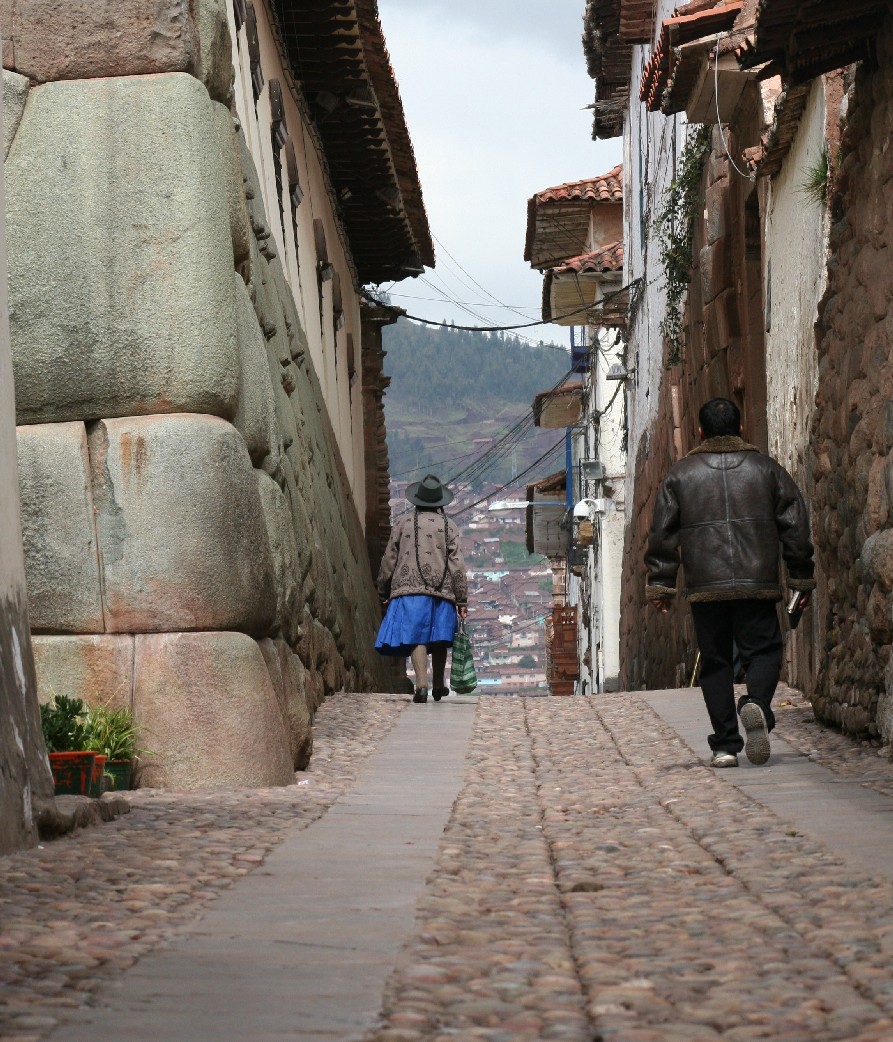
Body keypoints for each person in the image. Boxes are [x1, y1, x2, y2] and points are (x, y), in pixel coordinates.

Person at [645, 398, 815, 768]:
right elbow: (794, 524)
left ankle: (724, 746)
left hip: (705, 588)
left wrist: (661, 584)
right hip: (757, 583)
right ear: (741, 429)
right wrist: (801, 574)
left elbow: (662, 534)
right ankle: (756, 705)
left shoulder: (680, 475)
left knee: (716, 663)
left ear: (700, 432)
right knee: (765, 652)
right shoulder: (767, 469)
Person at [376, 474, 468, 703]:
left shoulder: (403, 523)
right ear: (440, 502)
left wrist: (383, 590)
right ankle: (438, 685)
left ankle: (421, 685)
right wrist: (462, 599)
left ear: (416, 500)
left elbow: (389, 558)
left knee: (417, 635)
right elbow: (457, 564)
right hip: (442, 590)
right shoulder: (449, 526)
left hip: (409, 589)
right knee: (439, 636)